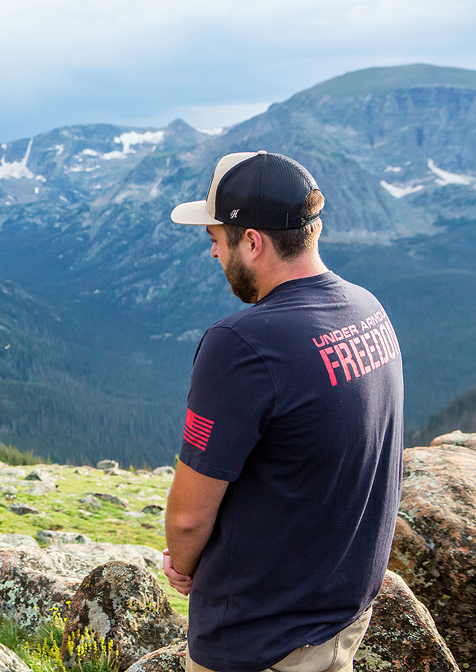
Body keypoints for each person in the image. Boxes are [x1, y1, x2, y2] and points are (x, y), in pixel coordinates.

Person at [162, 151, 404, 672]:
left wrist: (182, 565)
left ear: (252, 241)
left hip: (260, 641)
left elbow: (186, 519)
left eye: (215, 241)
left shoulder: (242, 344)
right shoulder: (368, 310)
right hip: (341, 618)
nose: (213, 256)